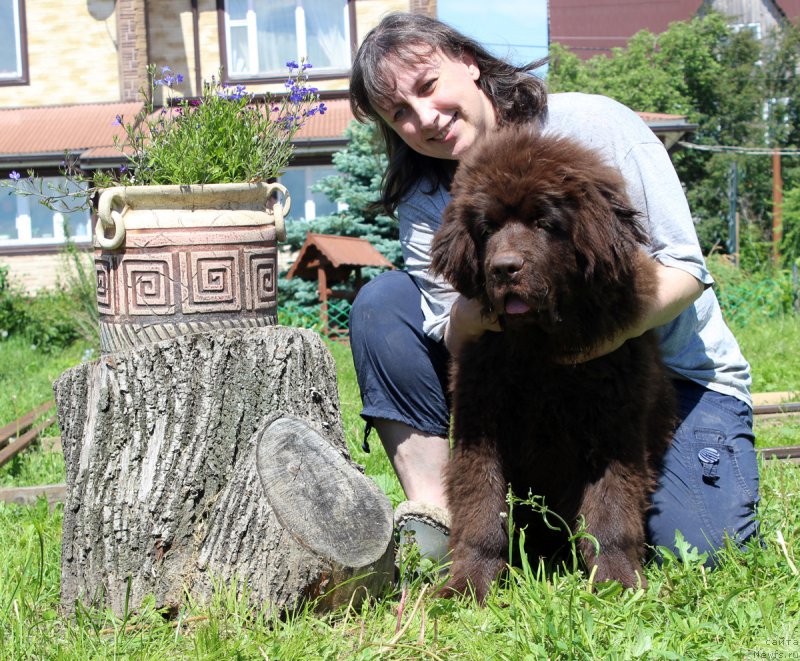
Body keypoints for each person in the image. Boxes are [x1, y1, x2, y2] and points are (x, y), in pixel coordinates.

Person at [347, 12, 759, 566]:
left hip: (676, 373)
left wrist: (597, 340)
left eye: (428, 86)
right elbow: (456, 330)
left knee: (702, 549)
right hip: (521, 373)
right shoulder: (426, 198)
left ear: (468, 63)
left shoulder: (594, 126)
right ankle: (438, 520)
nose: (426, 118)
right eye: (400, 113)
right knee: (382, 304)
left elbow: (685, 270)